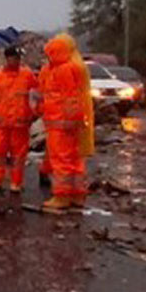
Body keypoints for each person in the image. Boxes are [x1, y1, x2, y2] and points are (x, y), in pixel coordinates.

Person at [38, 34, 90, 212]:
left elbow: (69, 97)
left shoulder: (62, 70)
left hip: (60, 122)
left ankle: (62, 196)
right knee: (74, 159)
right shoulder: (70, 68)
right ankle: (77, 194)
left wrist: (68, 119)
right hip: (66, 122)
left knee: (61, 159)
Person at [0, 46, 38, 193]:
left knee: (18, 155)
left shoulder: (27, 76)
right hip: (1, 122)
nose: (16, 60)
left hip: (20, 122)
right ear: (7, 58)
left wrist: (33, 113)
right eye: (13, 57)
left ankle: (16, 182)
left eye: (17, 58)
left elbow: (36, 95)